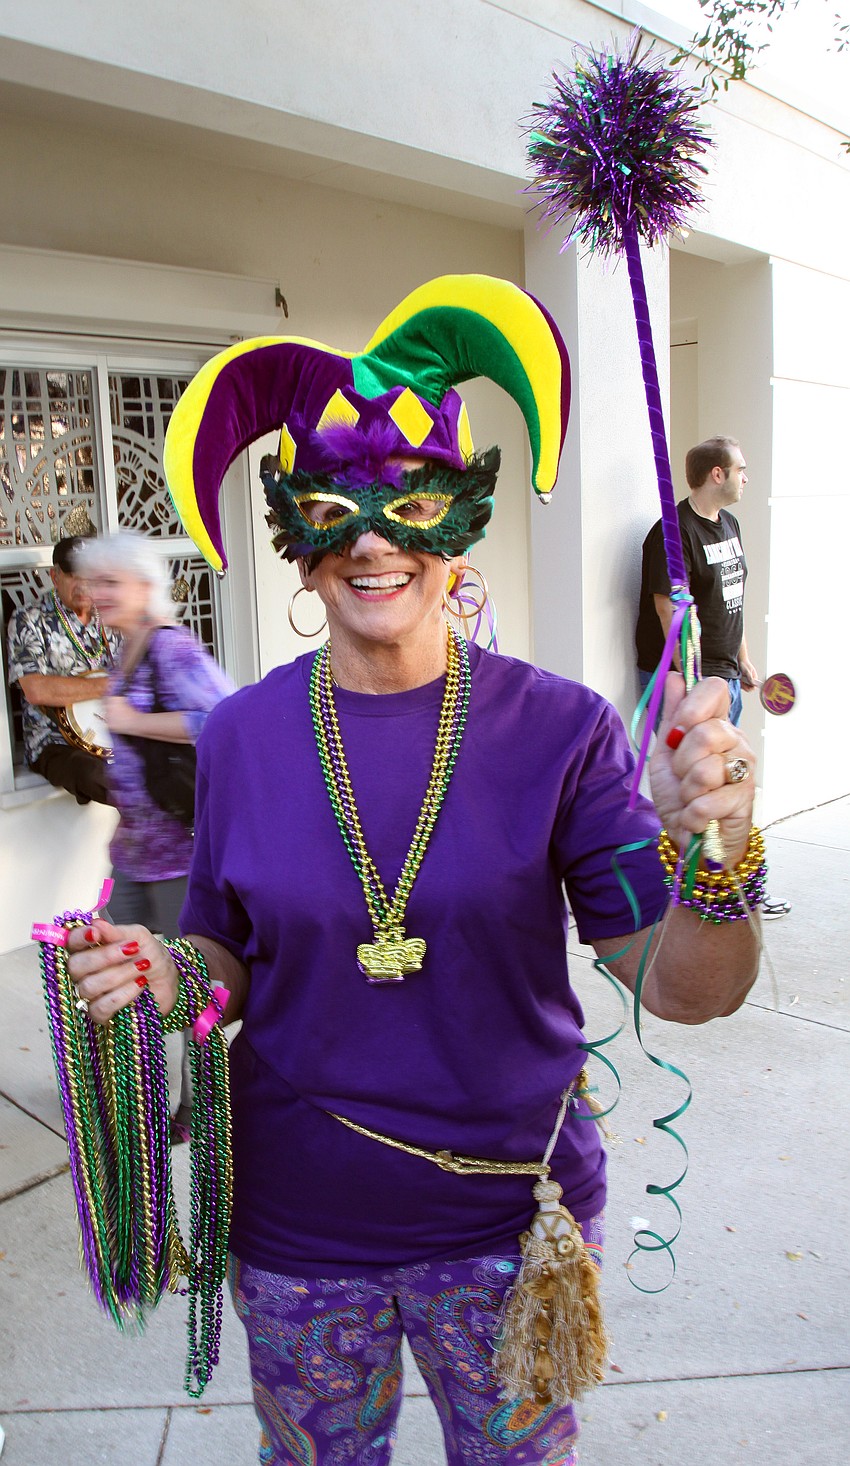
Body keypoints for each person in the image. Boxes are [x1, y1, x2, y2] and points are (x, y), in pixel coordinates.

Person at [65, 277, 762, 1466]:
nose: (374, 540)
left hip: (510, 1221)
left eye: (413, 501)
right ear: (297, 546)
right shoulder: (241, 733)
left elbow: (689, 988)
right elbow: (224, 949)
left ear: (460, 525)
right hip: (297, 1224)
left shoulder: (562, 729)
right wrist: (166, 973)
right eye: (334, 508)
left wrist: (717, 852)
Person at [75, 530, 234, 1139]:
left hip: (180, 855)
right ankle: (130, 1095)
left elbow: (224, 718)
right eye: (94, 582)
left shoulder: (172, 647)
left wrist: (135, 721)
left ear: (145, 586)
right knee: (115, 973)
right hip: (134, 851)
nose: (97, 593)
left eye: (110, 582)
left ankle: (200, 1105)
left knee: (189, 982)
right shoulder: (129, 647)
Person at [635, 436, 790, 919]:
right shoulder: (672, 533)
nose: (747, 477)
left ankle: (727, 885)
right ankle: (704, 893)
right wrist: (694, 682)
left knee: (727, 783)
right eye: (741, 468)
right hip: (690, 681)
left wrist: (744, 659)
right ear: (716, 474)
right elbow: (669, 610)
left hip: (725, 675)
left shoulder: (730, 524)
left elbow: (731, 596)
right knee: (698, 789)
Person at [7, 534, 120, 803]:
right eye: (73, 575)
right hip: (56, 744)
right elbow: (36, 690)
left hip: (115, 736)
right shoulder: (29, 619)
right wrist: (108, 684)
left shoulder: (111, 617)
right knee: (95, 774)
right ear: (55, 577)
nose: (83, 585)